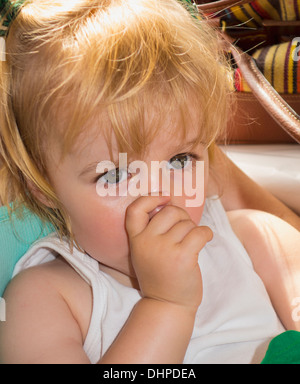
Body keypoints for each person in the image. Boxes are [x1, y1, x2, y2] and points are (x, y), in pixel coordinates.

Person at [0, 0, 299, 364]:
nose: (159, 196)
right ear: (41, 185)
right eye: (114, 173)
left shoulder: (256, 240)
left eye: (179, 159)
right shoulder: (45, 298)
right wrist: (166, 304)